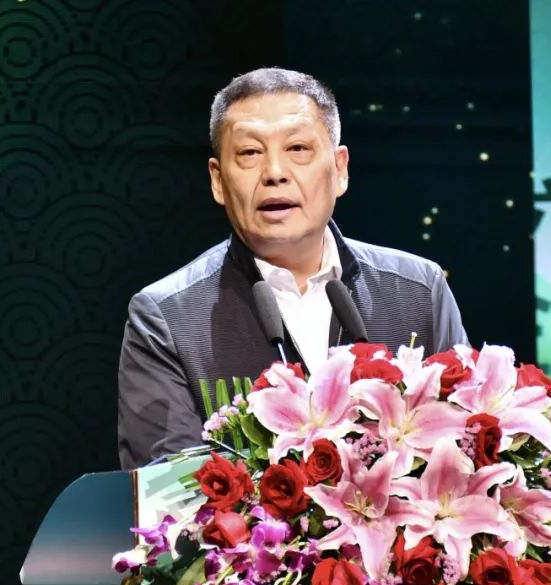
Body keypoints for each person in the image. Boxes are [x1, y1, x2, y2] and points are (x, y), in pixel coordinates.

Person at [117, 67, 468, 469]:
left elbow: (463, 450)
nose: (274, 173)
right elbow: (167, 489)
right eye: (250, 153)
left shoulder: (418, 292)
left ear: (340, 169)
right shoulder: (167, 318)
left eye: (298, 148)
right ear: (217, 180)